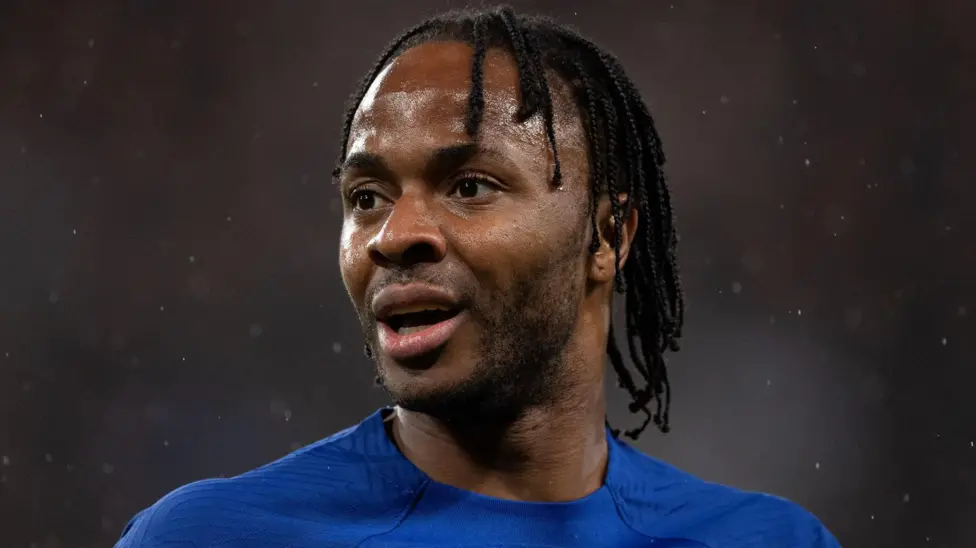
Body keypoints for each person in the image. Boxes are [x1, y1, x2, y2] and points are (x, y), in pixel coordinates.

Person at [116, 6, 840, 547]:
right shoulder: (212, 538)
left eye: (469, 186)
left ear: (608, 235)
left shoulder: (769, 541)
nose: (394, 236)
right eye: (366, 199)